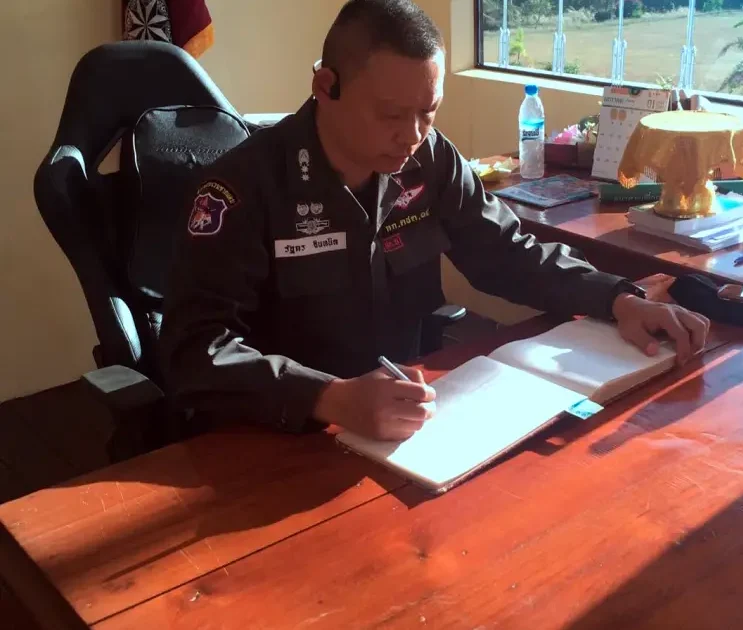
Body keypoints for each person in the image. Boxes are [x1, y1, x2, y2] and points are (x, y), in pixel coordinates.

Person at [159, 0, 710, 443]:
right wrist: (328, 398)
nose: (413, 135)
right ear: (326, 87)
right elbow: (194, 351)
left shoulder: (429, 159)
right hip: (277, 438)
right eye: (392, 114)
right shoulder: (242, 189)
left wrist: (618, 298)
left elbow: (505, 251)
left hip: (410, 421)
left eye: (429, 111)